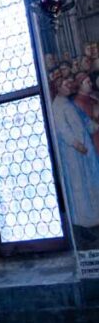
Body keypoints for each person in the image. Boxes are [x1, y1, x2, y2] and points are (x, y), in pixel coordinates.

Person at [52, 76, 99, 235]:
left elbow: (84, 121)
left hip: (84, 150)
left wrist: (94, 127)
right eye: (65, 84)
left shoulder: (69, 104)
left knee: (89, 183)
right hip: (73, 154)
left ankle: (93, 217)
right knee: (79, 186)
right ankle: (83, 222)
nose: (68, 87)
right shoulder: (57, 106)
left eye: (68, 84)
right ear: (58, 88)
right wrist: (76, 144)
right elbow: (63, 129)